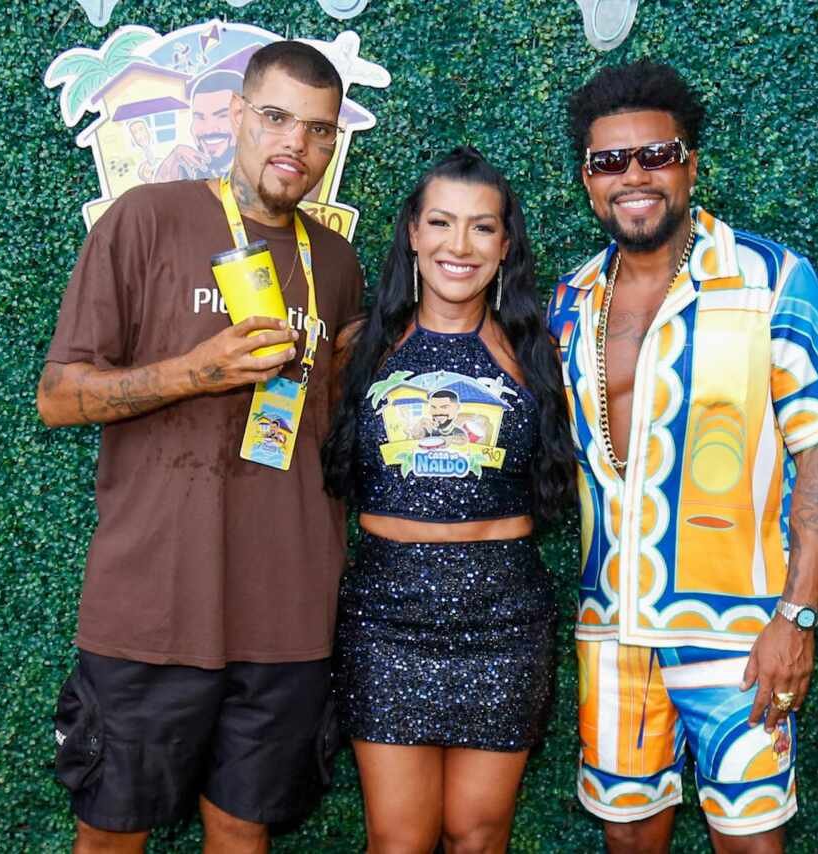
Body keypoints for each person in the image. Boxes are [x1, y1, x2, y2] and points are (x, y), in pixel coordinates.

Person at [36, 41, 363, 853]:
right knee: (111, 836)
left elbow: (334, 422)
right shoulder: (146, 219)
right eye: (277, 117)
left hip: (288, 611)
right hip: (154, 605)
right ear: (236, 116)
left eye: (319, 130)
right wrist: (194, 372)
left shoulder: (337, 262)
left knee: (243, 836)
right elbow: (59, 396)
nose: (296, 144)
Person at [548, 62, 818, 850]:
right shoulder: (569, 300)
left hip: (741, 631)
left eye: (655, 155)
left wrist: (796, 617)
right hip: (611, 625)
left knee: (750, 836)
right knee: (628, 835)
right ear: (587, 180)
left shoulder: (771, 278)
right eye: (609, 161)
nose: (633, 177)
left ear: (691, 164)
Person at [321, 147, 575, 854]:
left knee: (477, 834)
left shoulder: (539, 353)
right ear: (413, 232)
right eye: (441, 222)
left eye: (481, 227)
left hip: (504, 619)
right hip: (386, 617)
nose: (458, 245)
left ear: (505, 245)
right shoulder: (358, 348)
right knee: (398, 839)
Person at [154, 70, 243, 181]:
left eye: (222, 115)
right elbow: (159, 189)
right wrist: (173, 160)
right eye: (200, 117)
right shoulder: (189, 171)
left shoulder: (259, 171)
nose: (209, 130)